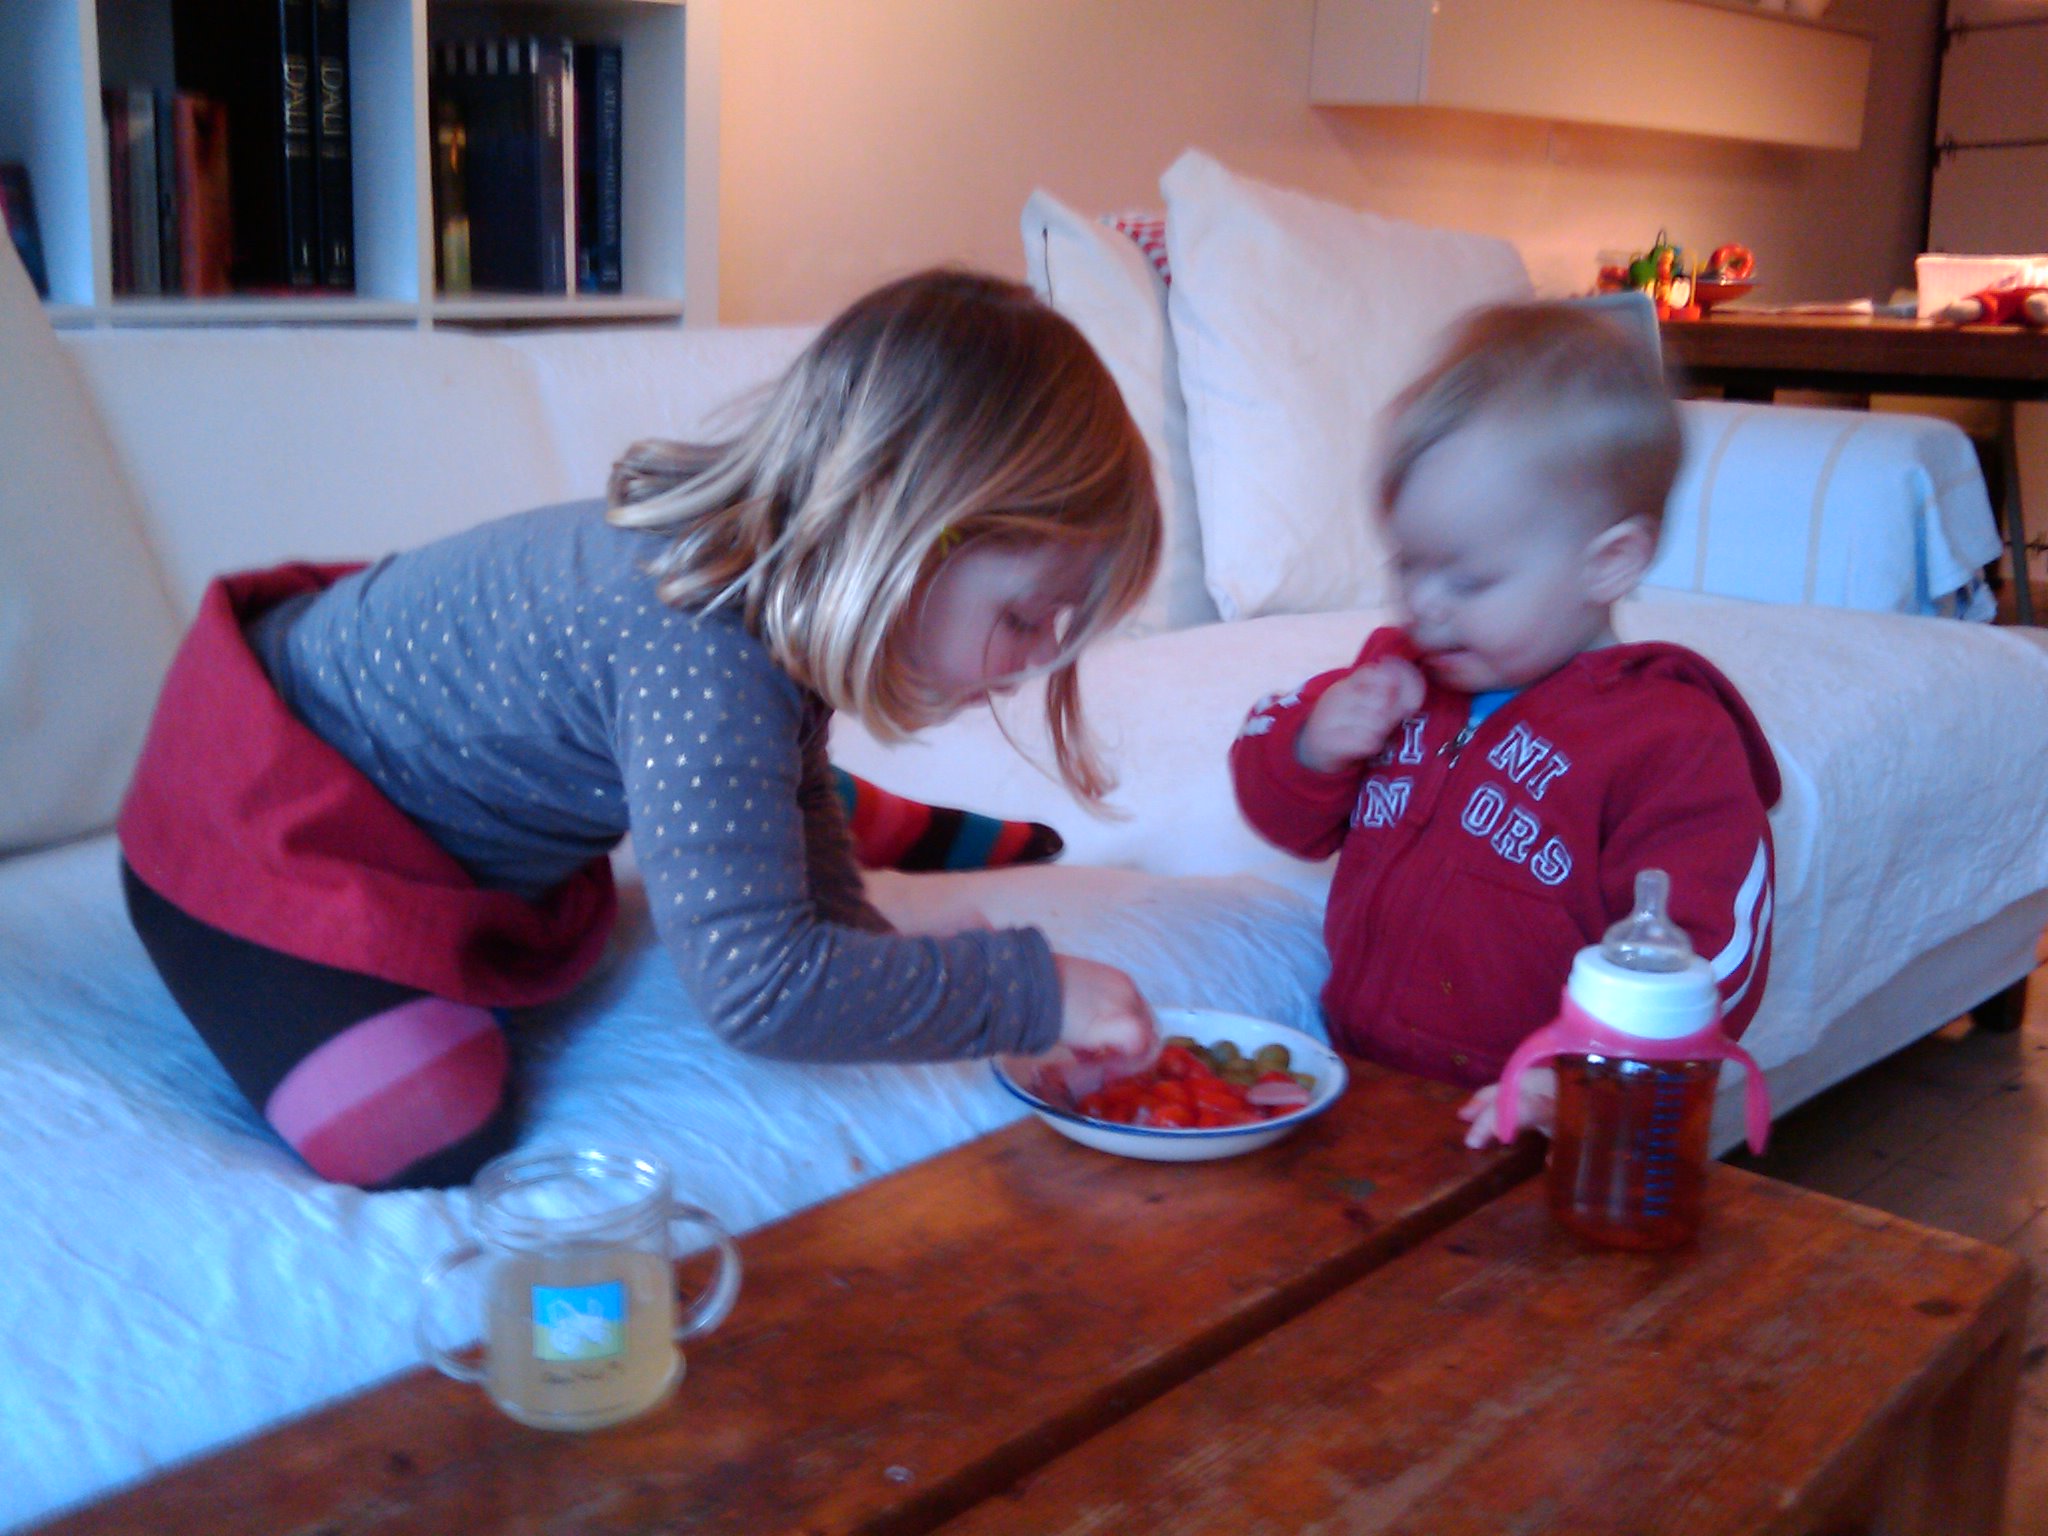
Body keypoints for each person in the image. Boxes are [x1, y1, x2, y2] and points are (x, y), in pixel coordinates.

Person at [119, 269, 1163, 1190]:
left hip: (411, 793)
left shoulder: (759, 608)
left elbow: (804, 860)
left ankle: (922, 828)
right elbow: (762, 989)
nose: (1039, 656)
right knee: (430, 1128)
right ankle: (239, 949)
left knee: (764, 808)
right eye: (1024, 616)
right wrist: (1028, 996)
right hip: (262, 828)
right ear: (896, 524)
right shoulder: (698, 644)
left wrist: (909, 979)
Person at [1228, 302, 1780, 1149]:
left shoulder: (1670, 744)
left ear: (1610, 563)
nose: (1423, 605)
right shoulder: (1401, 676)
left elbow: (1711, 955)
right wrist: (1312, 745)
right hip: (1364, 1085)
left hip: (1543, 1126)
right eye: (1408, 565)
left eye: (1471, 580)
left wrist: (1586, 1073)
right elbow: (1282, 814)